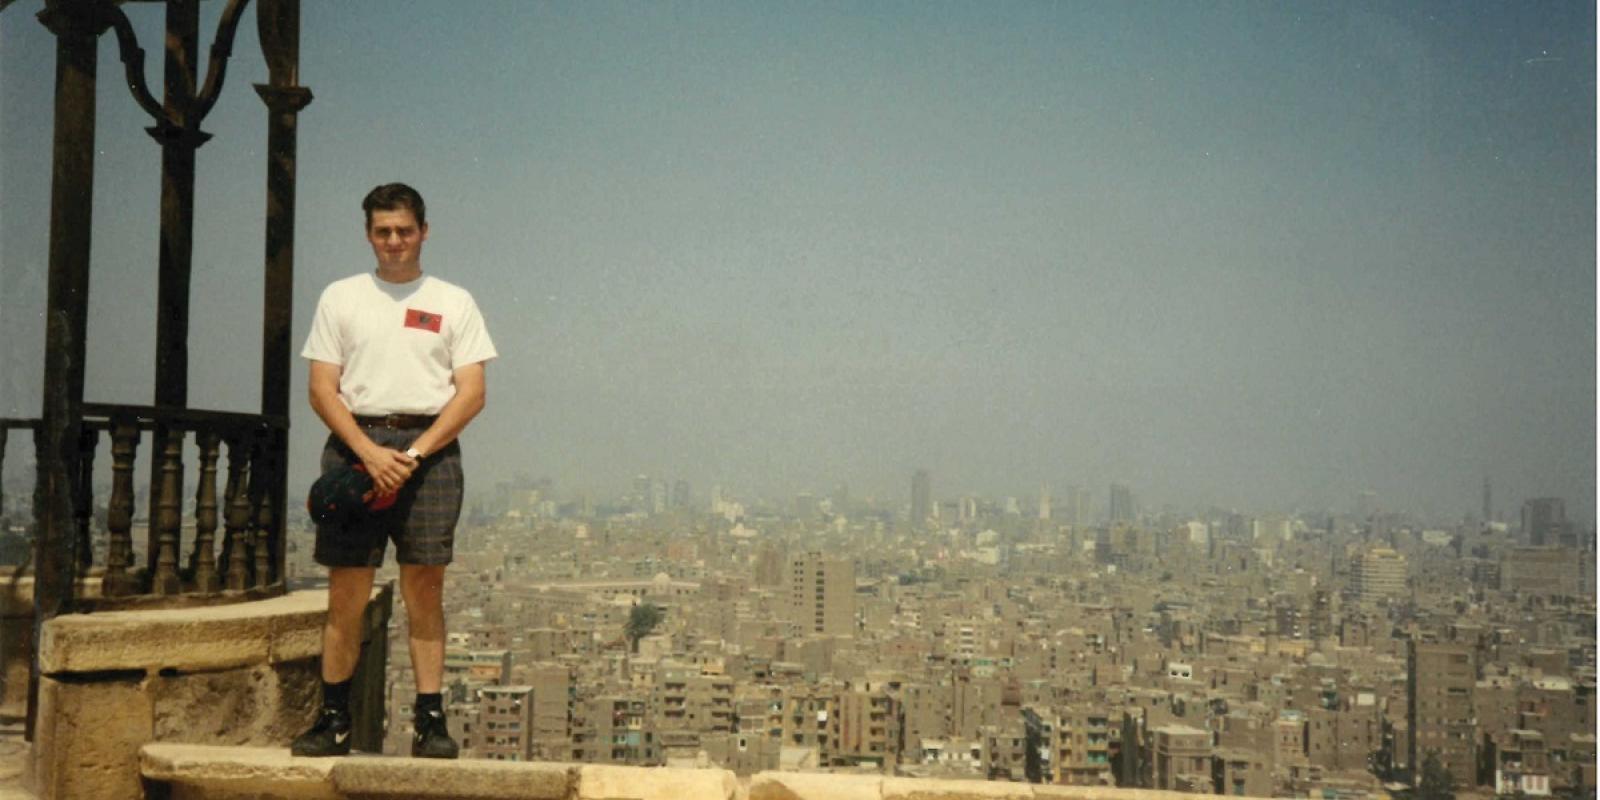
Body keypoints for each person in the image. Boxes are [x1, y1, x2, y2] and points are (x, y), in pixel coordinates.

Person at [290, 183, 496, 758]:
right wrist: (368, 451)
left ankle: (430, 723)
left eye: (404, 230)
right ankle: (333, 719)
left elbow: (472, 392)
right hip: (355, 448)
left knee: (425, 588)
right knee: (347, 589)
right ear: (368, 235)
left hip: (430, 451)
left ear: (423, 232)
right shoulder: (342, 297)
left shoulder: (454, 301)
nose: (394, 241)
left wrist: (414, 455)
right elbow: (322, 387)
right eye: (383, 231)